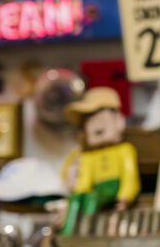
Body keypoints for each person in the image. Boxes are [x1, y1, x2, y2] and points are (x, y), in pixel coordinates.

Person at [60, 87, 140, 235]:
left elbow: (129, 175)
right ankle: (68, 233)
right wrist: (78, 193)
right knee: (76, 199)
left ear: (118, 121)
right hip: (95, 189)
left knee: (91, 199)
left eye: (101, 116)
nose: (95, 124)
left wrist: (125, 195)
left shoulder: (124, 150)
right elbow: (85, 179)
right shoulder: (87, 156)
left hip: (112, 187)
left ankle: (84, 232)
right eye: (89, 118)